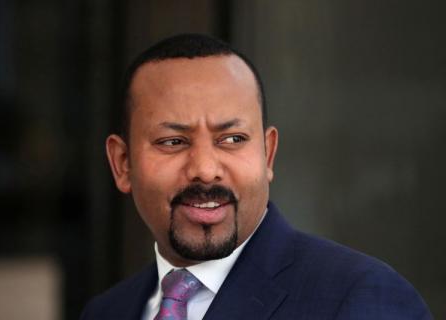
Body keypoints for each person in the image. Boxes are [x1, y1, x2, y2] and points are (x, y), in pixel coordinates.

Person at [80, 34, 432, 320]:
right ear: (123, 163)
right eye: (173, 142)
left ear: (268, 154)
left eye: (232, 140)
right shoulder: (107, 311)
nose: (205, 168)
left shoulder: (361, 298)